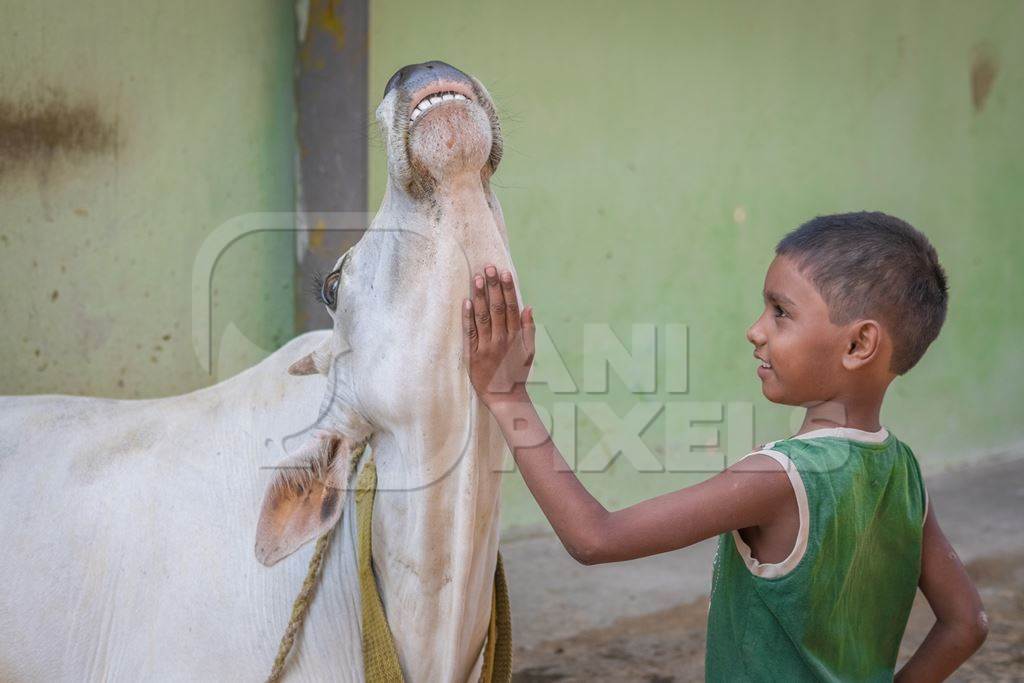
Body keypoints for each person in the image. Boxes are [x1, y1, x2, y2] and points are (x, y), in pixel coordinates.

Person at [460, 212, 988, 681]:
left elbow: (595, 538)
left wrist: (508, 397)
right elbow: (966, 624)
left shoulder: (780, 478)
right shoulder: (904, 471)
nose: (755, 330)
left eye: (781, 312)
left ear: (858, 344)